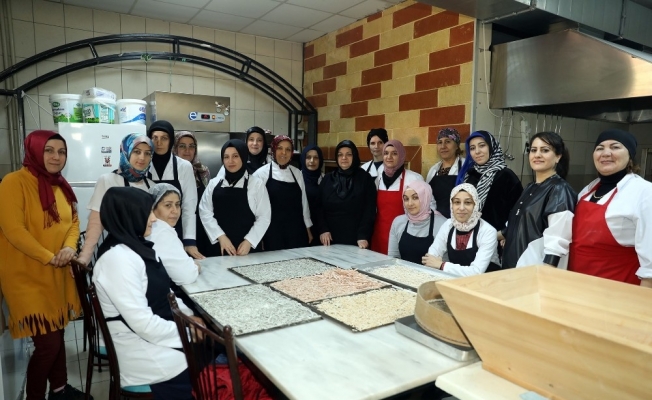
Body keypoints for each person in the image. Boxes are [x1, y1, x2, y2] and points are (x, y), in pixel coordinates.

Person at [0, 130, 88, 400]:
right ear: (35, 151)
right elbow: (14, 230)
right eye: (48, 150)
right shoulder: (14, 182)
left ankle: (59, 390)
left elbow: (73, 222)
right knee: (48, 345)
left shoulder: (60, 185)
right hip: (26, 278)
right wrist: (49, 256)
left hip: (57, 276)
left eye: (61, 152)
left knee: (57, 335)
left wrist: (69, 248)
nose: (56, 157)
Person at [93, 187, 201, 399]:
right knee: (216, 369)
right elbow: (144, 325)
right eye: (148, 212)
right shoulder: (117, 260)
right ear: (129, 216)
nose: (153, 218)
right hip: (145, 355)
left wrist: (188, 317)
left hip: (158, 338)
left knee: (220, 353)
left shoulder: (139, 247)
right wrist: (189, 331)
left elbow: (167, 293)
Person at [569, 129, 652, 286]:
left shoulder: (644, 192)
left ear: (630, 156)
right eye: (600, 148)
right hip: (576, 285)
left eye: (615, 147)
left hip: (617, 291)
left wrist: (643, 298)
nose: (606, 153)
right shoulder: (587, 190)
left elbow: (650, 264)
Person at [77, 133, 155, 266]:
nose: (142, 157)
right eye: (137, 152)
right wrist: (84, 258)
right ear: (125, 152)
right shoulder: (108, 180)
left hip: (145, 251)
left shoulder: (152, 186)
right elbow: (96, 223)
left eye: (147, 153)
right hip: (117, 253)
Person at [501, 132, 576, 269]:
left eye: (545, 150)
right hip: (512, 267)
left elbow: (558, 240)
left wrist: (545, 273)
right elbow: (517, 224)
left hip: (534, 270)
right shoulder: (530, 187)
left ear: (558, 156)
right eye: (533, 150)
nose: (537, 155)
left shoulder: (560, 190)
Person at [200, 139, 271, 256]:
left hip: (247, 251)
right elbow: (204, 212)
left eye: (235, 156)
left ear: (243, 157)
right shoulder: (213, 183)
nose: (230, 161)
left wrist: (249, 241)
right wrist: (220, 236)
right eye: (226, 157)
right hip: (219, 248)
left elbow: (264, 217)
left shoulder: (256, 184)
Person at [147, 120, 200, 259]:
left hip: (176, 231)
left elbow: (189, 206)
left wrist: (189, 241)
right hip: (149, 232)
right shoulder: (143, 165)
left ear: (171, 141)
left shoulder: (184, 166)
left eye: (164, 138)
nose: (159, 143)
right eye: (154, 138)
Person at [423, 183, 500, 277]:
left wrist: (442, 265)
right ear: (451, 205)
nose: (462, 208)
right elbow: (431, 257)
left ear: (475, 205)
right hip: (456, 280)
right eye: (457, 202)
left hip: (487, 281)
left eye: (467, 203)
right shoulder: (448, 225)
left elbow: (476, 272)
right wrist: (435, 263)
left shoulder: (487, 231)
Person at [457, 130, 523, 233]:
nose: (477, 151)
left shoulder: (506, 176)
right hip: (470, 235)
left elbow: (519, 211)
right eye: (472, 148)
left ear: (492, 147)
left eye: (482, 145)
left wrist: (505, 234)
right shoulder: (469, 175)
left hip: (498, 236)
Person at [253, 135, 312, 250]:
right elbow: (255, 209)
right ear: (273, 150)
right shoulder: (261, 174)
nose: (283, 153)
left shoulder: (297, 173)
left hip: (296, 232)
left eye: (288, 149)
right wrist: (258, 237)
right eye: (280, 148)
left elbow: (304, 203)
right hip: (272, 233)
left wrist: (308, 229)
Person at [319, 140, 376, 248]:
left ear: (354, 156)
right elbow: (318, 207)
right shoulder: (327, 179)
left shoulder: (365, 179)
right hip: (329, 239)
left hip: (357, 239)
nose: (344, 158)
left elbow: (369, 210)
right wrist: (323, 229)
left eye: (348, 154)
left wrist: (363, 235)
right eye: (340, 155)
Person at [371, 139, 424, 254]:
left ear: (401, 155)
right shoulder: (378, 178)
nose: (389, 157)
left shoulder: (413, 179)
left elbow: (426, 207)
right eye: (386, 153)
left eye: (394, 153)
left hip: (402, 235)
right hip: (379, 235)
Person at [147, 184, 200, 284]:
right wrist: (196, 267)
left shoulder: (155, 228)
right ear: (153, 207)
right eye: (168, 205)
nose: (175, 211)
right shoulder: (162, 233)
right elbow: (186, 276)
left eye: (177, 205)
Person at [388, 181, 447, 263]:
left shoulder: (443, 225)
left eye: (415, 198)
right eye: (406, 199)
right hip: (401, 270)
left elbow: (445, 263)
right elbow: (392, 259)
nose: (410, 203)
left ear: (426, 198)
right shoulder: (398, 222)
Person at [173, 131, 210, 257]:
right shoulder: (171, 172)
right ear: (175, 148)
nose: (187, 150)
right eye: (182, 146)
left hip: (201, 227)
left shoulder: (203, 171)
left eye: (191, 146)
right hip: (179, 226)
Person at [426, 128, 465, 218]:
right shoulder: (433, 169)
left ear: (457, 145)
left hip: (460, 218)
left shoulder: (466, 166)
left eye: (448, 142)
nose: (443, 146)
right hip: (436, 220)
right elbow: (428, 198)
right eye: (440, 142)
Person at [300, 145, 324, 246]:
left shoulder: (325, 179)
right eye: (308, 157)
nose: (312, 161)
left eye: (316, 157)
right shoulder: (297, 178)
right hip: (302, 228)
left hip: (322, 229)